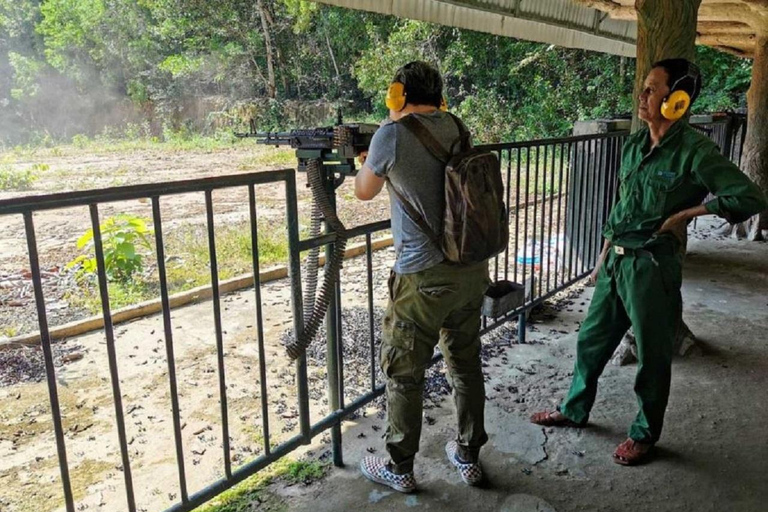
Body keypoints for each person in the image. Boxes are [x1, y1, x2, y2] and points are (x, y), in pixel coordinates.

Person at [530, 58, 767, 466]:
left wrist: (687, 214)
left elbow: (749, 197)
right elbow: (623, 204)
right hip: (617, 262)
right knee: (591, 342)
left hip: (652, 267)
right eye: (643, 87)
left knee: (653, 355)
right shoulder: (637, 144)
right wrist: (601, 257)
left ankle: (644, 434)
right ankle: (574, 408)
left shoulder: (695, 150)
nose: (642, 96)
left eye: (652, 89)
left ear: (676, 100)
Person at [354, 61, 490, 492]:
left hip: (422, 278)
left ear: (398, 94)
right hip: (470, 269)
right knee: (465, 364)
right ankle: (467, 456)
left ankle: (399, 468)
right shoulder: (457, 125)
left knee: (405, 373)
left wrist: (374, 153)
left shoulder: (390, 135)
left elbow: (364, 190)